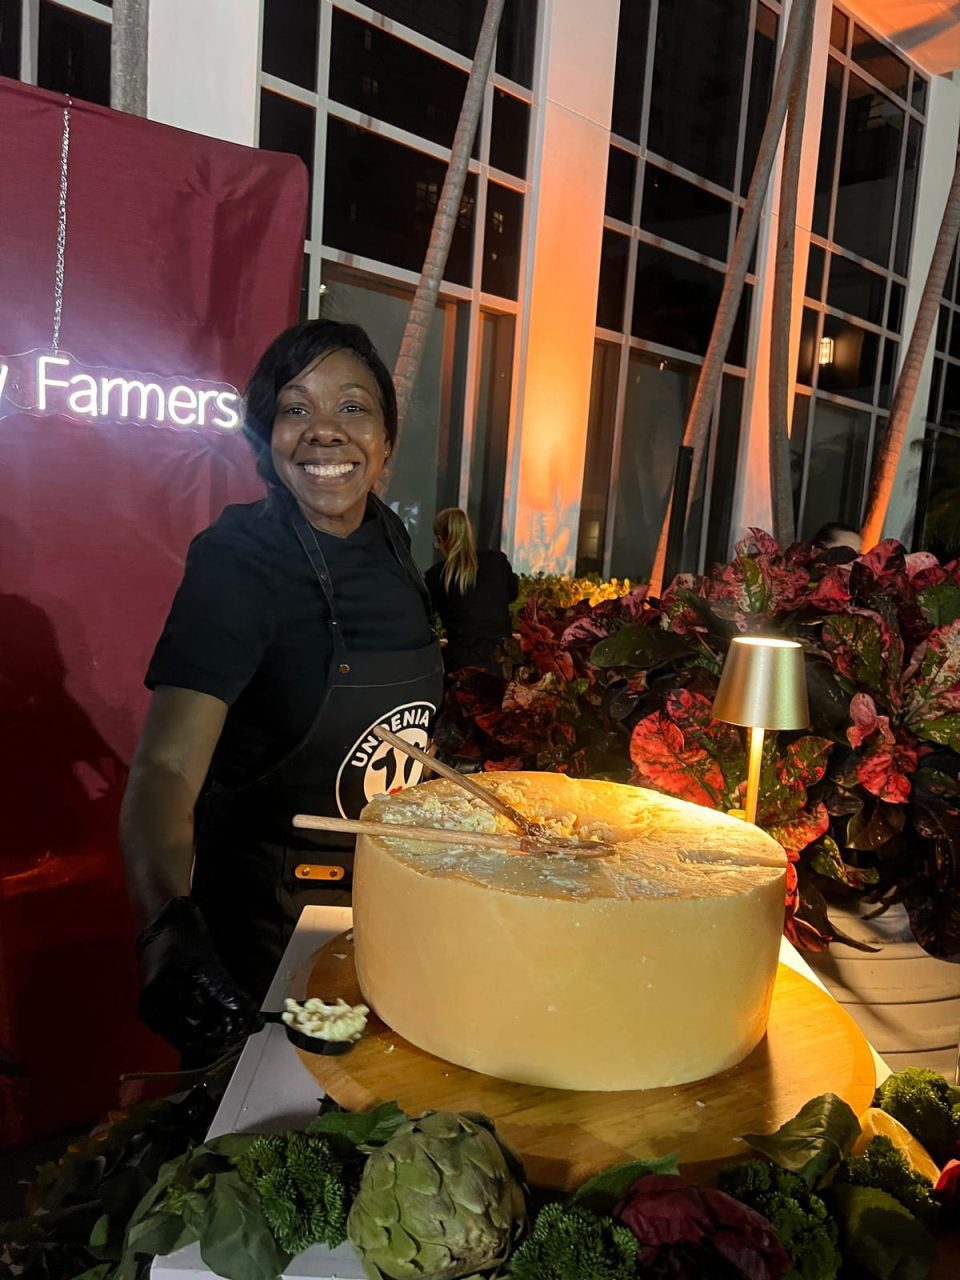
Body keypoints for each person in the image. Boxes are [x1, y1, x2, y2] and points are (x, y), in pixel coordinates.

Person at [120, 320, 442, 1061]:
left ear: (386, 440)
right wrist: (166, 927)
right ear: (266, 438)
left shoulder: (392, 543)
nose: (326, 430)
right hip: (270, 928)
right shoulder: (238, 562)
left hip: (387, 915)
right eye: (297, 409)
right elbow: (165, 769)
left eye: (353, 407)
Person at [425, 507, 518, 675]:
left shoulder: (438, 575)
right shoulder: (497, 563)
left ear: (440, 540)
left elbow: (426, 616)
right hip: (503, 663)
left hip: (462, 666)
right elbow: (512, 594)